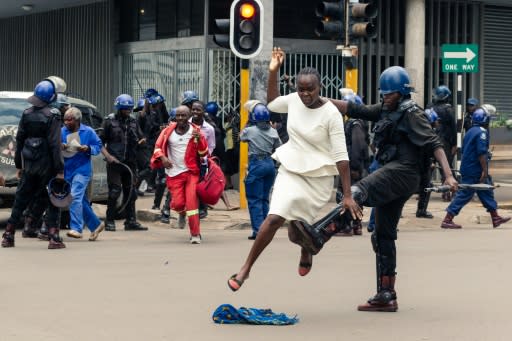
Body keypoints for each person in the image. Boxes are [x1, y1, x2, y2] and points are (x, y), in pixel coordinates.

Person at [298, 65, 457, 312]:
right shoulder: (386, 109)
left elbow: (435, 143)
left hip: (404, 172)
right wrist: (320, 100)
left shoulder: (412, 113)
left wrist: (448, 175)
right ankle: (386, 294)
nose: (385, 97)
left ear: (402, 93)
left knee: (359, 191)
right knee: (382, 234)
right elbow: (354, 108)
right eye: (383, 93)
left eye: (390, 94)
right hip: (393, 173)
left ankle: (320, 233)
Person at [227, 47, 360, 291]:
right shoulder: (294, 101)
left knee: (300, 226)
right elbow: (273, 103)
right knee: (275, 217)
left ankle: (306, 253)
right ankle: (245, 269)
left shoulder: (331, 114)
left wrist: (347, 195)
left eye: (310, 89)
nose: (305, 94)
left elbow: (342, 156)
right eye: (301, 89)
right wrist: (273, 71)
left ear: (320, 87)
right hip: (291, 169)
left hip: (318, 176)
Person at [2, 78, 68, 249]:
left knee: (20, 200)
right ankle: (53, 237)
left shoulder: (27, 113)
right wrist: (60, 170)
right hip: (47, 167)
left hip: (30, 165)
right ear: (51, 97)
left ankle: (8, 235)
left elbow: (19, 140)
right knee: (53, 200)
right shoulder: (53, 115)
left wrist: (19, 166)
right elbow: (55, 145)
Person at [441, 108, 510, 229]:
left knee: (486, 192)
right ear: (485, 120)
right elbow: (481, 153)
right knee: (465, 194)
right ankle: (447, 219)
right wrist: (484, 170)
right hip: (475, 169)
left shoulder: (471, 131)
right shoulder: (481, 132)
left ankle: (495, 217)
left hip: (470, 167)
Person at [150, 105, 209, 244]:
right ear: (175, 116)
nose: (181, 118)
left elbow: (203, 153)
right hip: (173, 173)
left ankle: (195, 234)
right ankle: (181, 213)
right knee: (177, 204)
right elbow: (157, 147)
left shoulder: (196, 131)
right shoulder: (167, 131)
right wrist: (163, 158)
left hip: (191, 173)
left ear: (189, 117)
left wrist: (200, 139)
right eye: (178, 115)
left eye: (184, 115)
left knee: (192, 203)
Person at [99, 94, 148, 232]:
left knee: (130, 192)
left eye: (129, 109)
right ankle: (109, 220)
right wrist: (108, 156)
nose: (127, 111)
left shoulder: (133, 122)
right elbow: (99, 142)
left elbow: (140, 137)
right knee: (114, 191)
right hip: (115, 163)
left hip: (130, 162)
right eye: (125, 109)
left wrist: (142, 141)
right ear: (119, 108)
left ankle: (130, 221)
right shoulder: (109, 121)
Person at [240, 100, 282, 240]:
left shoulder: (250, 131)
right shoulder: (273, 131)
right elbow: (279, 147)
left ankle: (258, 231)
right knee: (264, 199)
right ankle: (266, 229)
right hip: (269, 164)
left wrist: (247, 122)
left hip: (256, 164)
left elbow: (241, 137)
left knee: (254, 199)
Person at [60, 107, 105, 240]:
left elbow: (98, 146)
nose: (67, 123)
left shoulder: (88, 131)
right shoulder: (61, 131)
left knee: (74, 196)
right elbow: (54, 146)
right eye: (65, 120)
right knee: (80, 200)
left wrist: (88, 148)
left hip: (82, 170)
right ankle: (96, 225)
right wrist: (61, 146)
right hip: (67, 170)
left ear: (77, 120)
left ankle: (76, 228)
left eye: (70, 120)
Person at [335, 93, 369, 236]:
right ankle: (356, 225)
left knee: (346, 195)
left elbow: (358, 145)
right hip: (352, 165)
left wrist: (354, 167)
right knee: (355, 195)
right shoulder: (355, 122)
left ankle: (346, 226)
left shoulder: (355, 124)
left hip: (352, 166)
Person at [429, 85, 457, 202]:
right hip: (444, 141)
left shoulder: (430, 107)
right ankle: (448, 193)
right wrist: (455, 144)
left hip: (429, 140)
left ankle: (422, 192)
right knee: (446, 168)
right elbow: (453, 128)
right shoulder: (449, 110)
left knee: (428, 167)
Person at [415, 108, 439, 219]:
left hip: (422, 163)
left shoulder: (418, 129)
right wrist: (430, 161)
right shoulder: (427, 132)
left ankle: (421, 209)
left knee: (425, 187)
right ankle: (421, 210)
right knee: (426, 187)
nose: (437, 122)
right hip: (422, 164)